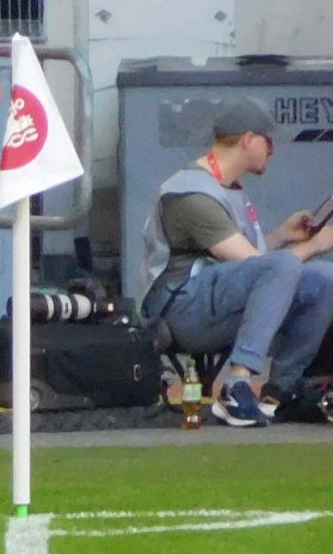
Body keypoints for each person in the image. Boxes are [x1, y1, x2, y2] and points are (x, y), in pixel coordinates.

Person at [137, 98, 333, 427]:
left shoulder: (226, 187)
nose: (272, 150)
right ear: (248, 140)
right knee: (286, 266)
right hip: (179, 309)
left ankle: (279, 393)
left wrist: (282, 236)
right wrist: (316, 244)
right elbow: (258, 266)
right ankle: (237, 385)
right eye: (268, 141)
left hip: (212, 300)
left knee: (326, 278)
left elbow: (249, 263)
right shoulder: (192, 193)